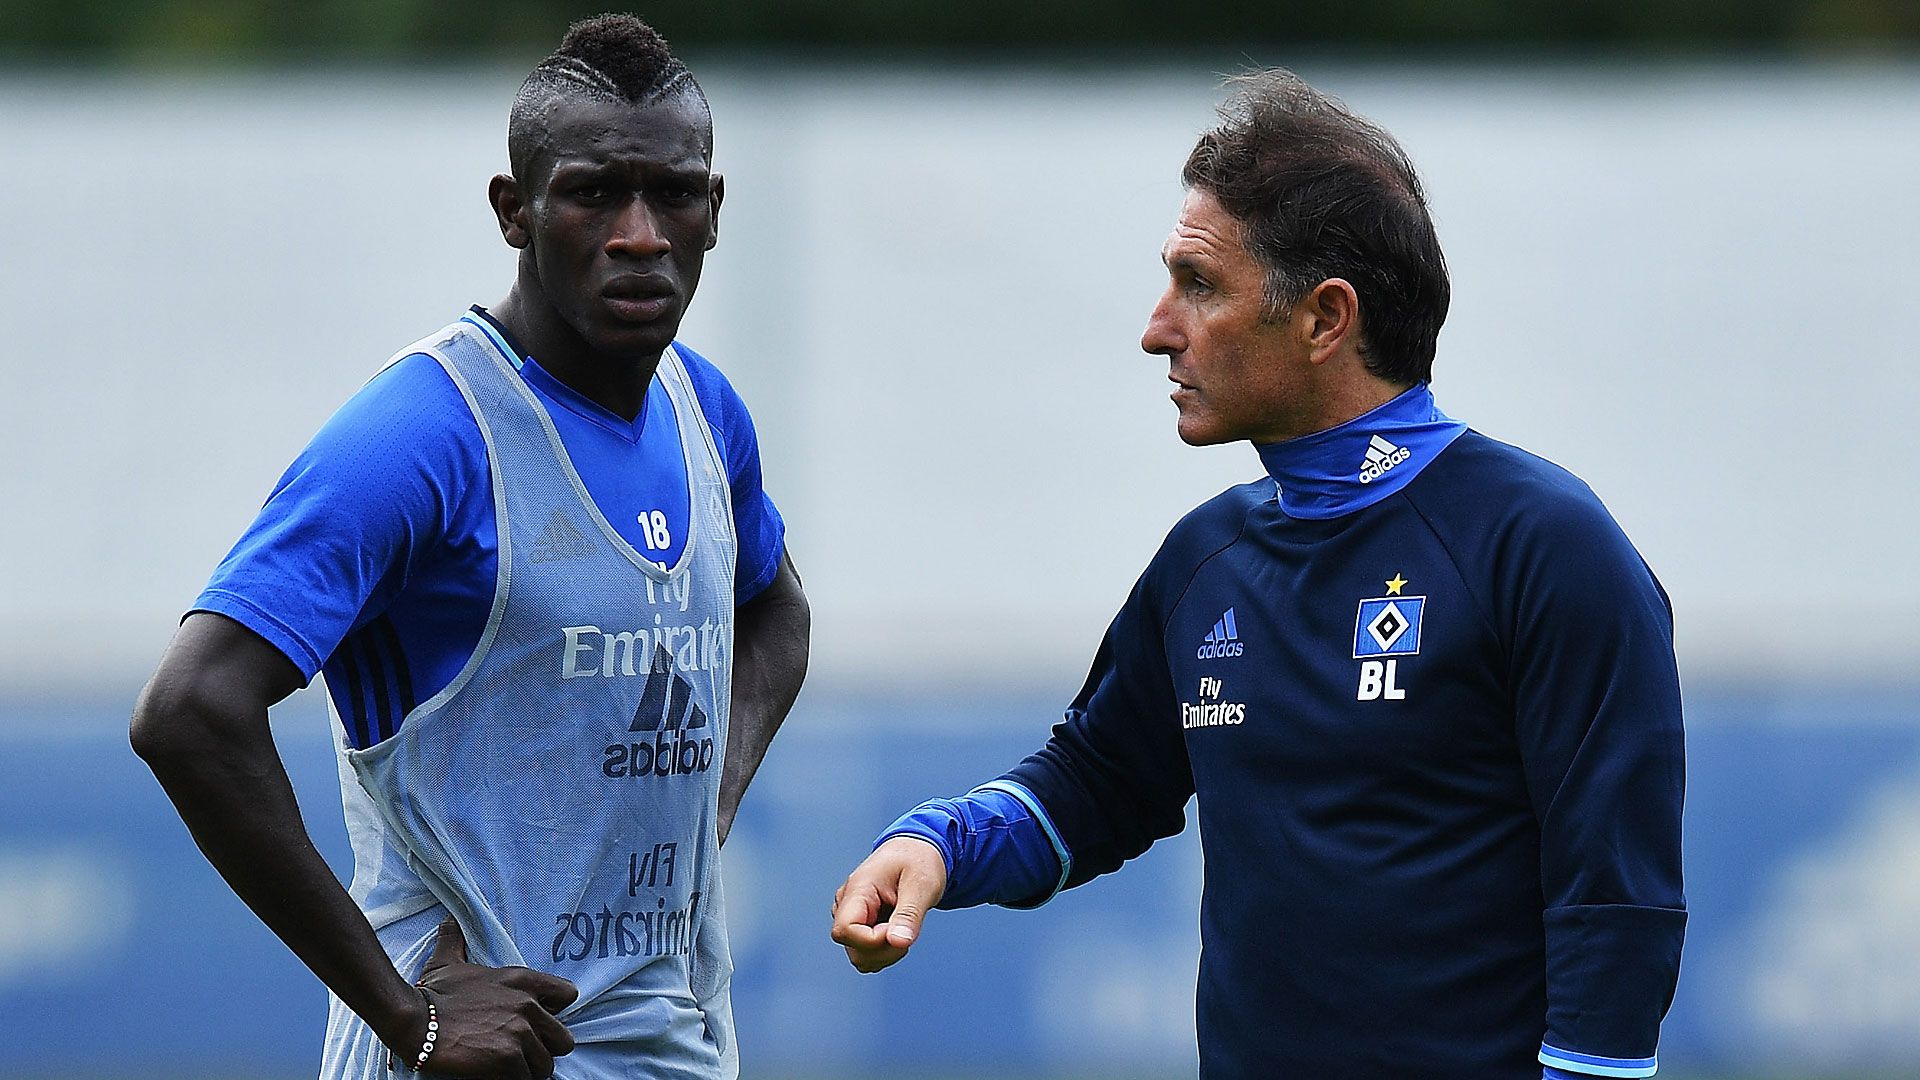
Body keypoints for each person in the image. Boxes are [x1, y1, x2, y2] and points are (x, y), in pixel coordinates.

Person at [831, 69, 1683, 1080]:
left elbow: (1616, 898)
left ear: (1326, 319)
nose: (1158, 326)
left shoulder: (1542, 545)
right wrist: (941, 846)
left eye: (1200, 285)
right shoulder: (1205, 561)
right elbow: (1098, 783)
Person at [131, 15, 809, 1080]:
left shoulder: (702, 411)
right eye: (593, 192)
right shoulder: (426, 433)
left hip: (669, 1046)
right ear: (515, 211)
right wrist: (409, 1017)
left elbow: (776, 611)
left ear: (713, 211)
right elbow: (187, 711)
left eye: (674, 192)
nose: (640, 232)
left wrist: (707, 800)